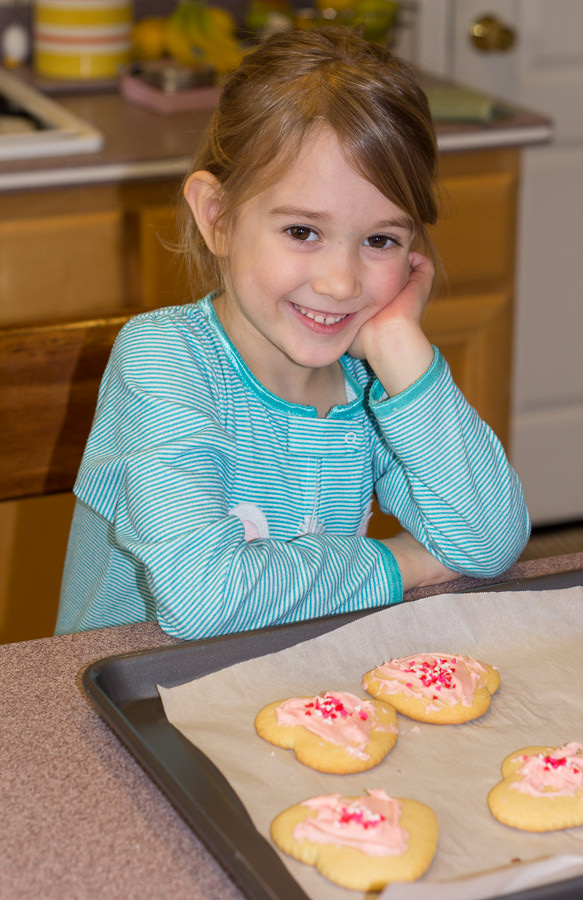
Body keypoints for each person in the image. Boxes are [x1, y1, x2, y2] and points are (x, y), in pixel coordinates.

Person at [56, 28, 530, 640]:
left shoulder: (369, 378)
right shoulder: (164, 361)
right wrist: (402, 564)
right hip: (136, 686)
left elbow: (489, 540)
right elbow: (203, 599)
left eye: (380, 240)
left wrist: (403, 352)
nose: (340, 283)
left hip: (294, 675)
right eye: (303, 232)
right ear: (218, 218)